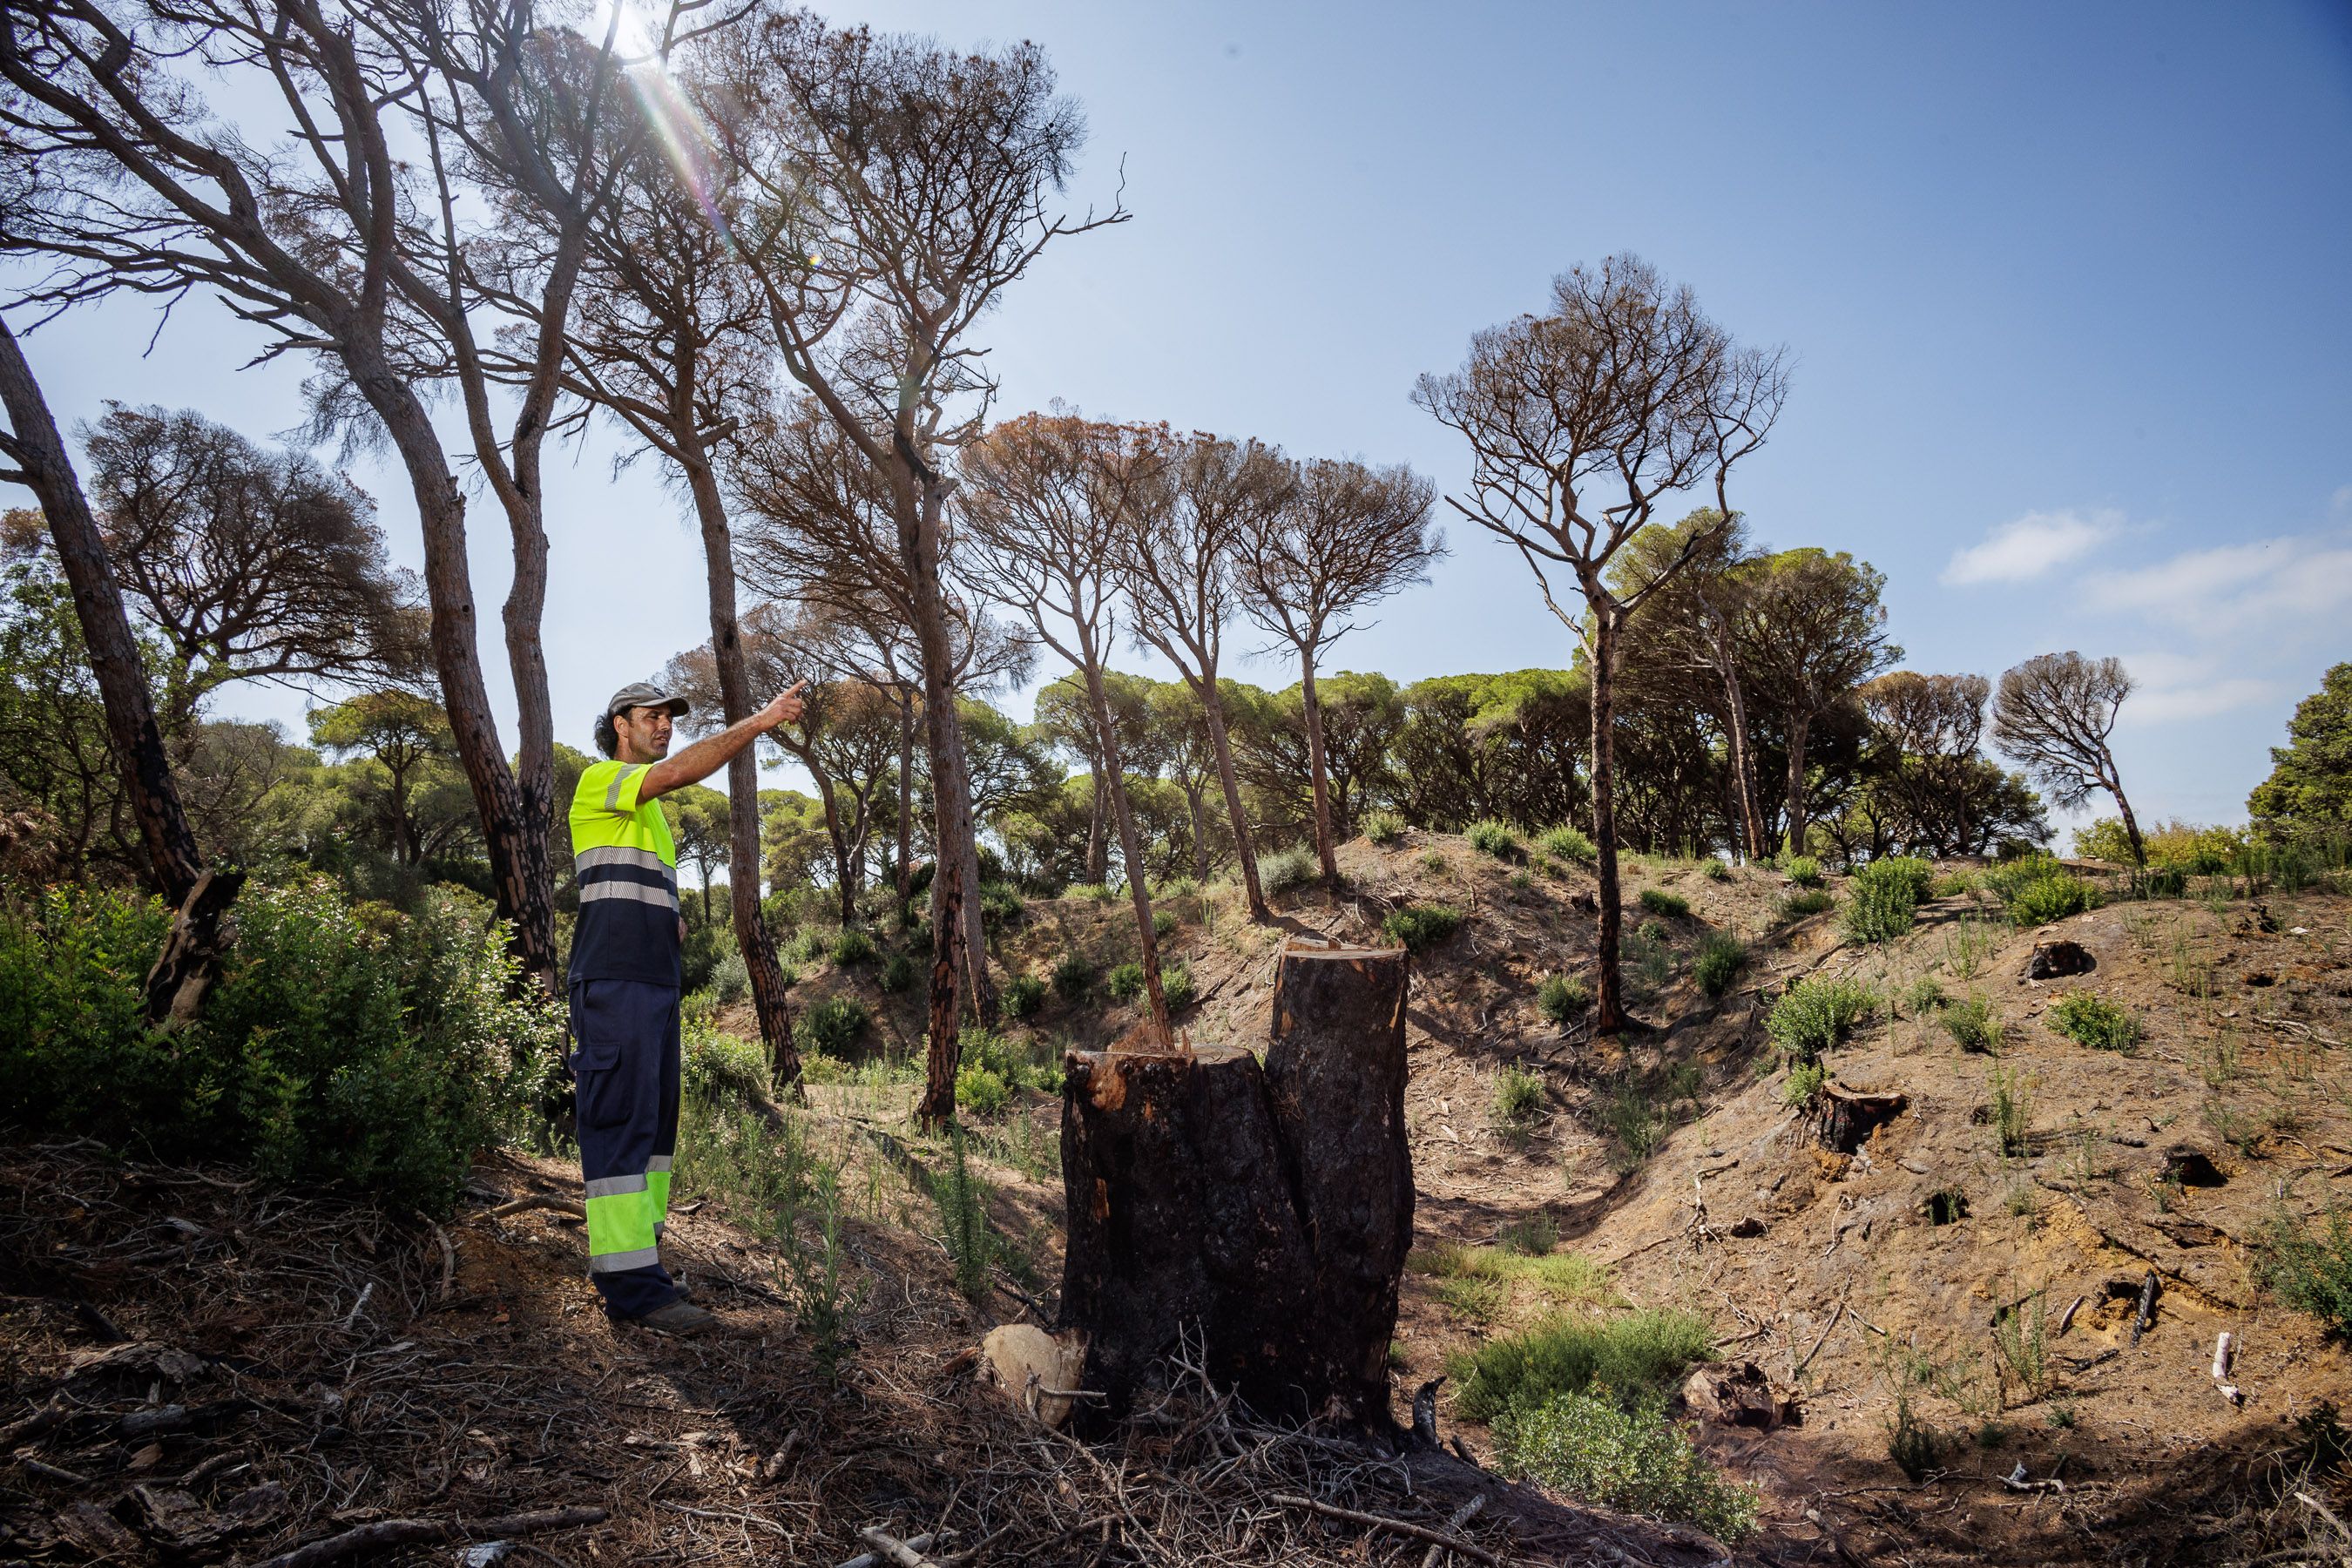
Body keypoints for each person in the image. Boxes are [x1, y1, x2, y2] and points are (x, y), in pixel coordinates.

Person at [568, 677, 803, 1333]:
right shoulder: (599, 781)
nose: (664, 726)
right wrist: (757, 722)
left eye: (670, 718)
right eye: (652, 717)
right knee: (619, 1124)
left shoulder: (657, 828)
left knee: (655, 1131)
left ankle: (640, 1268)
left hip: (654, 986)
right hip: (613, 984)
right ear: (620, 723)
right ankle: (633, 1294)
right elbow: (673, 774)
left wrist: (668, 920)